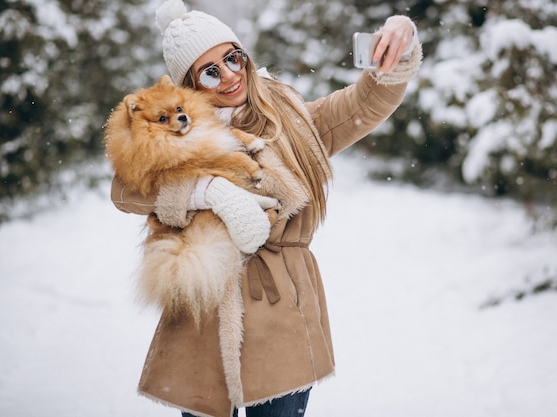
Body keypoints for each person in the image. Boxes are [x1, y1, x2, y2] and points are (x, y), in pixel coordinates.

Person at [110, 0, 422, 416]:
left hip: (281, 312)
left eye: (232, 58)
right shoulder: (172, 135)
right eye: (210, 71)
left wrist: (400, 42)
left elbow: (365, 102)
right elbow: (124, 190)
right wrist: (205, 191)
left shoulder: (292, 120)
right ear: (189, 85)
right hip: (201, 314)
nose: (230, 76)